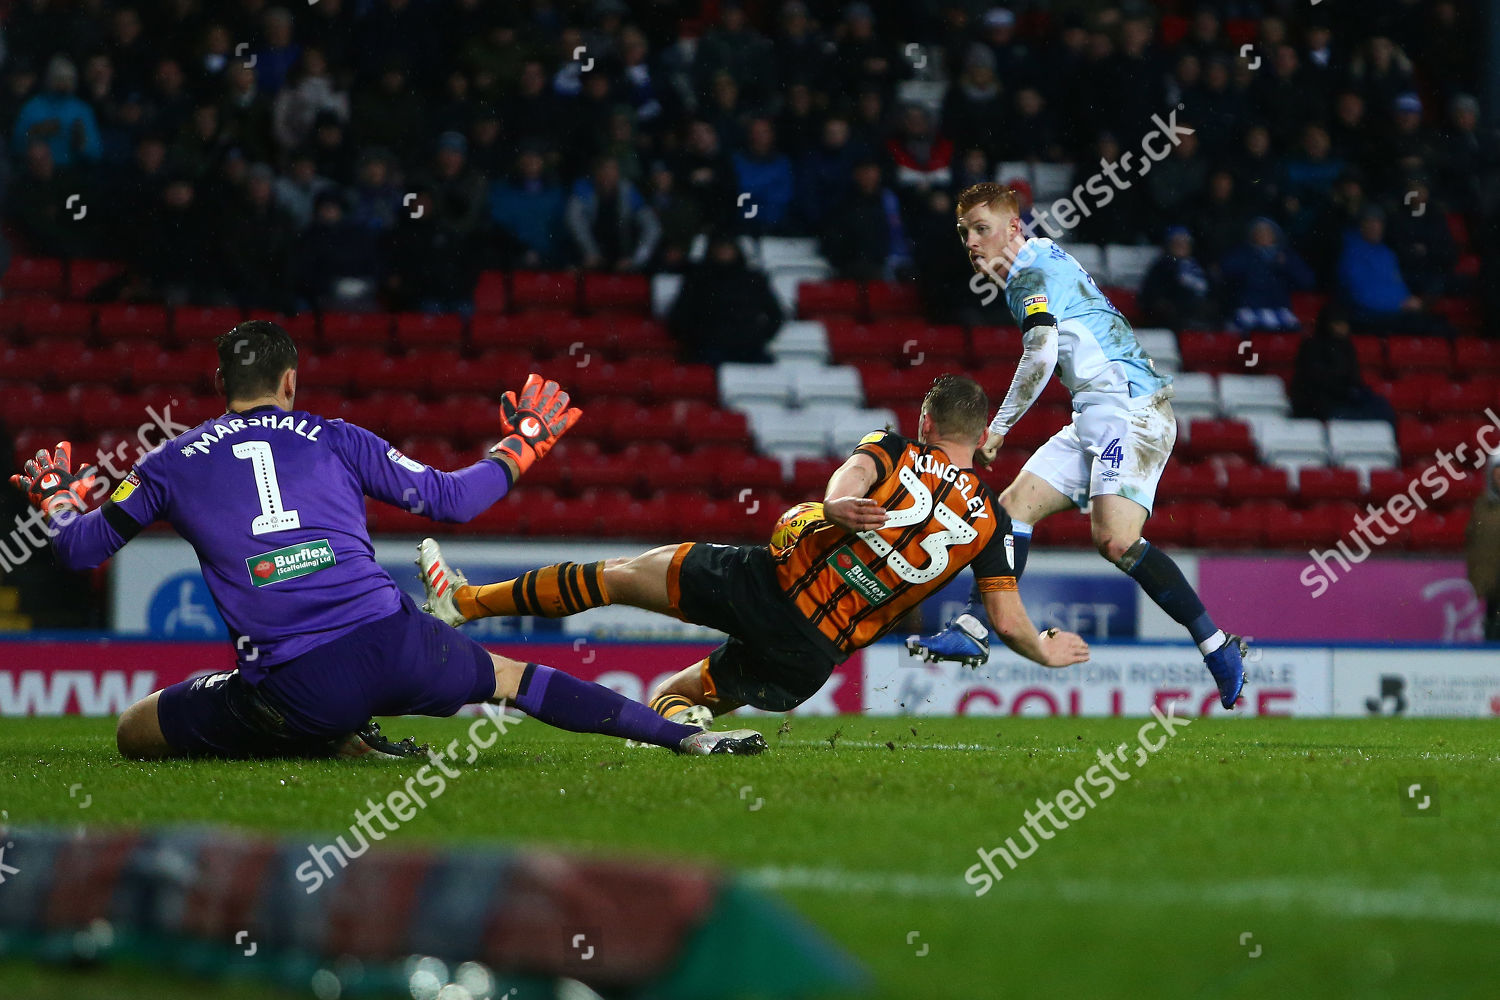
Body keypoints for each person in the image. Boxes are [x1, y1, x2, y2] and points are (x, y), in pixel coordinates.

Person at [9, 322, 763, 760]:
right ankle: (682, 740)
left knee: (133, 732)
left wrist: (58, 501)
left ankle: (337, 737)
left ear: (219, 385)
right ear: (292, 382)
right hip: (400, 643)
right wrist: (523, 445)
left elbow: (80, 551)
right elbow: (452, 499)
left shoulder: (169, 460)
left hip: (298, 685)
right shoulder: (334, 436)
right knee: (518, 680)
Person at [418, 375, 1090, 725]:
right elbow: (1005, 621)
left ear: (927, 420)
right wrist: (1047, 651)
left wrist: (830, 507)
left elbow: (851, 480)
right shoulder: (991, 525)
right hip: (810, 657)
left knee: (616, 578)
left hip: (767, 584)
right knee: (672, 696)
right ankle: (691, 730)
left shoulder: (895, 446)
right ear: (980, 437)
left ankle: (465, 604)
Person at [908, 184, 1247, 710]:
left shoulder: (1029, 276)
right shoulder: (1038, 261)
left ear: (1013, 228)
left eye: (981, 229)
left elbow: (1041, 354)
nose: (971, 243)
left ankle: (1218, 646)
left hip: (1130, 408)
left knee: (1114, 540)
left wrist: (997, 428)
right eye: (964, 233)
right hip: (1095, 410)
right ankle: (975, 626)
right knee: (1011, 508)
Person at [1468, 448, 1500, 641]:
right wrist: (1478, 579)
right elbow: (1475, 545)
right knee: (1492, 627)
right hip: (1492, 585)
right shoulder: (1482, 507)